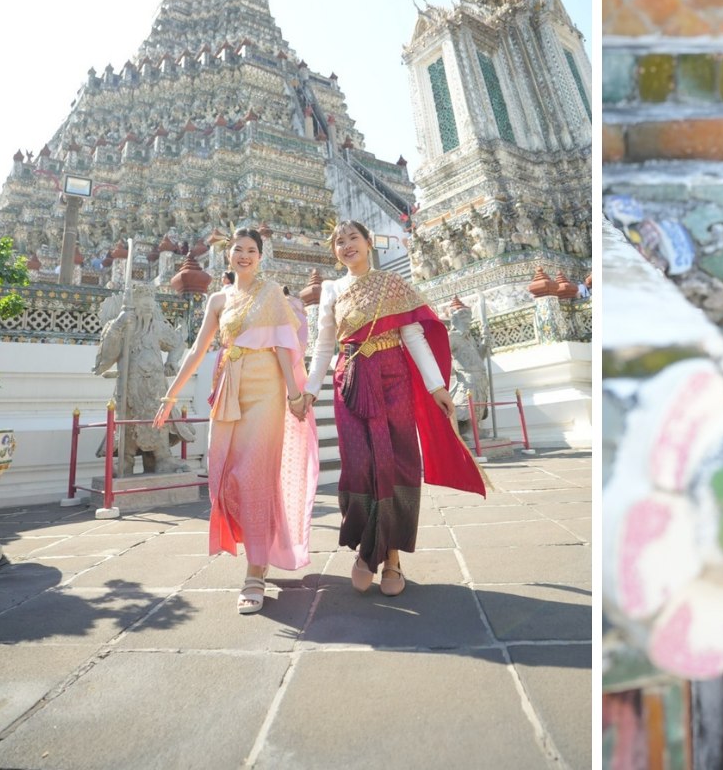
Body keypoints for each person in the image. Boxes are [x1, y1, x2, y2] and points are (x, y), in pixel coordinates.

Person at [303, 220, 485, 596]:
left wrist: (437, 386)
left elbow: (413, 336)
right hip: (350, 377)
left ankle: (392, 558)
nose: (347, 245)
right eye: (339, 241)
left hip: (393, 378)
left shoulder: (393, 285)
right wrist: (308, 389)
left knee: (395, 462)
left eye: (354, 238)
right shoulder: (332, 289)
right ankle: (366, 551)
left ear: (370, 244)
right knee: (359, 463)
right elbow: (324, 345)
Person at [158, 228, 316, 615]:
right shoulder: (218, 299)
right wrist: (171, 393)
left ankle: (254, 572)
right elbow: (198, 349)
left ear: (261, 256)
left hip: (266, 390)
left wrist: (294, 396)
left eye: (251, 250)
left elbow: (282, 345)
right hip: (229, 385)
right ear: (227, 255)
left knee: (254, 475)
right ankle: (260, 547)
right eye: (238, 250)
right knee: (225, 473)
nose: (244, 256)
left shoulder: (272, 292)